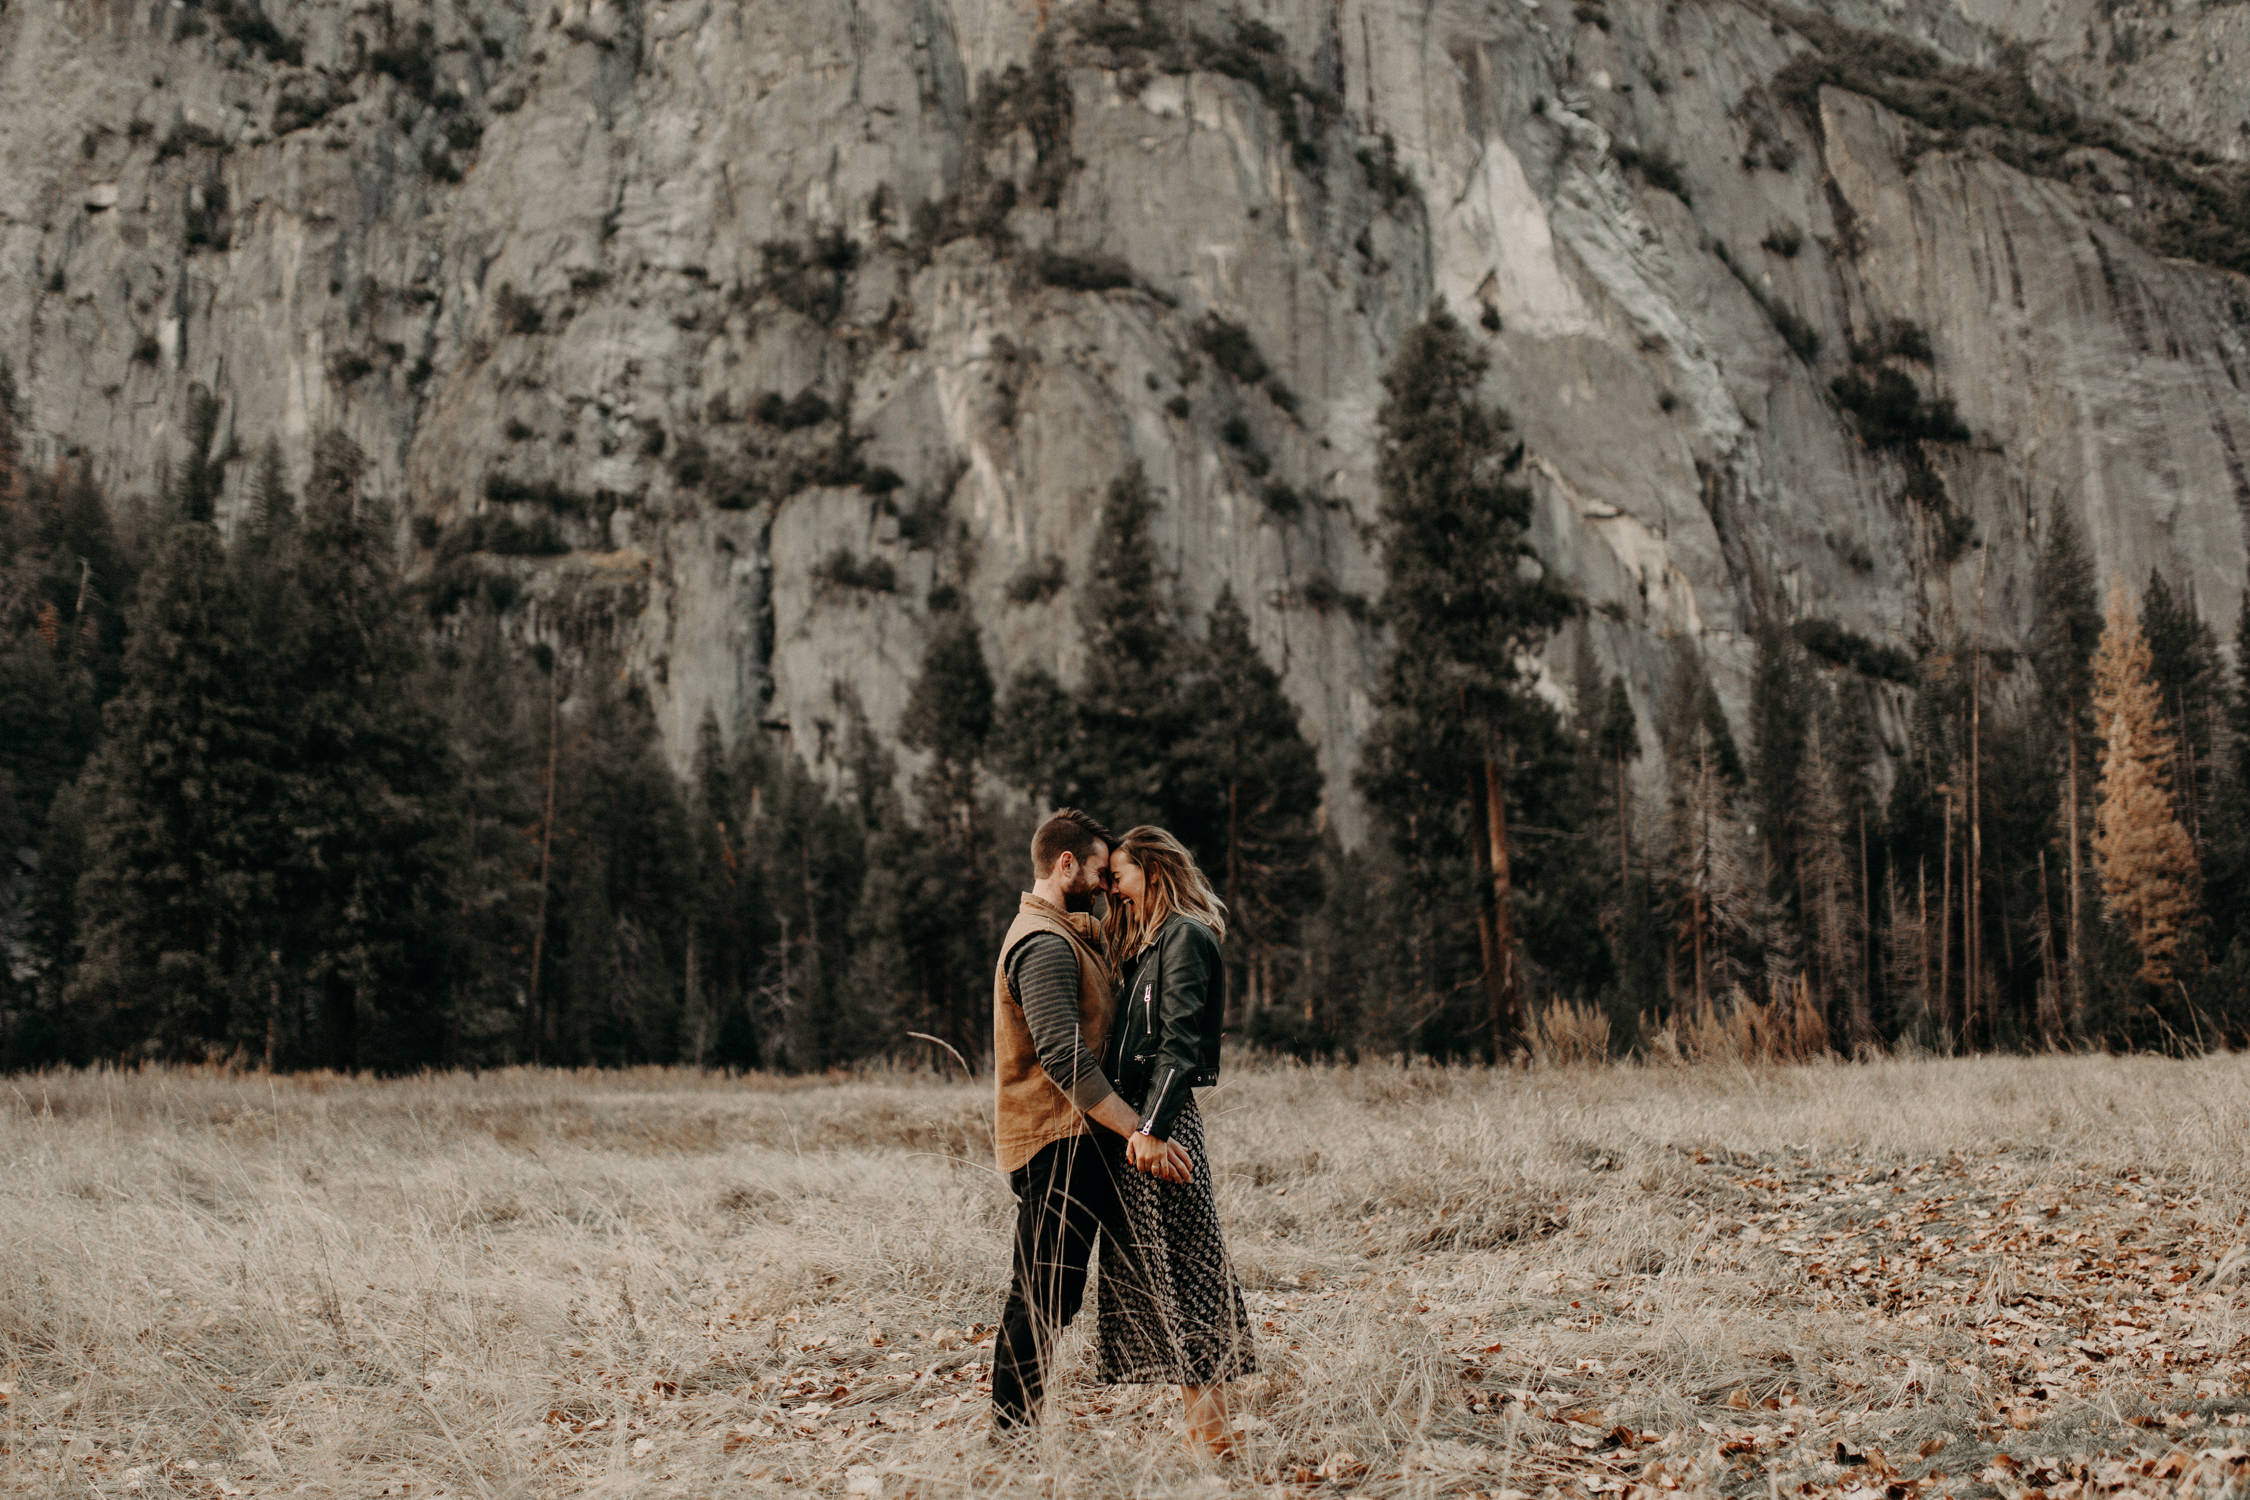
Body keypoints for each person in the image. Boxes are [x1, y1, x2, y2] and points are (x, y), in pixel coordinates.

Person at [989, 808, 1191, 1435]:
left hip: (1080, 1139)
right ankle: (1012, 1437)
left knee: (1059, 1292)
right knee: (1043, 1292)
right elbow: (1063, 1059)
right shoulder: (1042, 944)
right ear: (1066, 864)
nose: (1107, 885)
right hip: (1056, 1142)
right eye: (1101, 871)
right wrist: (1138, 1130)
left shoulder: (1074, 933)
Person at [1093, 825, 1256, 1457]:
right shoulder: (1148, 942)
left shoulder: (1184, 937)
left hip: (1161, 1129)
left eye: (1121, 874)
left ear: (1153, 872)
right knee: (1170, 1275)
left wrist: (1150, 1130)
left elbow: (1180, 1045)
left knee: (1189, 1272)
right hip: (1143, 1129)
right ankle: (1206, 1431)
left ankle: (1213, 1438)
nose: (1111, 886)